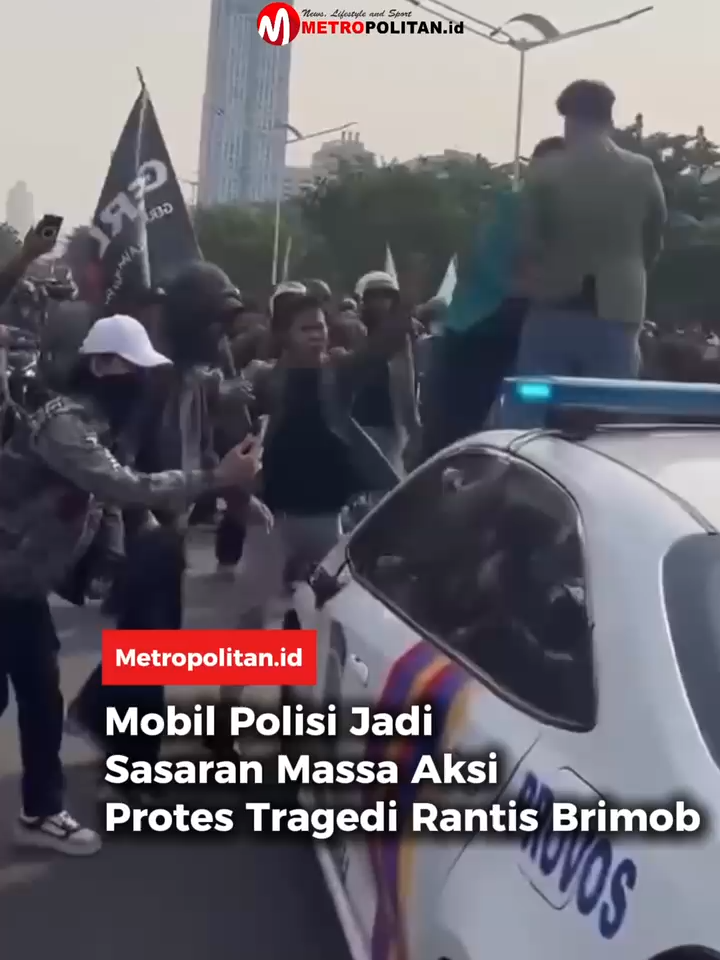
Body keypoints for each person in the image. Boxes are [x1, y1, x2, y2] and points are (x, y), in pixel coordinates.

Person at [0, 313, 261, 855]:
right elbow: (120, 482)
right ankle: (43, 807)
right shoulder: (63, 424)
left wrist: (110, 556)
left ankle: (42, 811)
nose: (146, 383)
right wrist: (217, 480)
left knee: (40, 695)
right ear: (103, 366)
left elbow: (105, 500)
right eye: (136, 370)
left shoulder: (98, 424)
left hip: (19, 584)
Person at [235, 292, 409, 631]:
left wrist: (404, 305)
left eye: (321, 327)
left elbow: (380, 348)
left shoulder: (338, 375)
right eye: (306, 328)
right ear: (284, 334)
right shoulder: (264, 379)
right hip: (271, 519)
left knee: (336, 619)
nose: (317, 334)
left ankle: (301, 679)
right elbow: (234, 437)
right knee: (249, 623)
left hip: (326, 520)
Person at [511, 80, 667, 389]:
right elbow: (654, 239)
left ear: (567, 119)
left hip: (552, 311)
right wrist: (629, 272)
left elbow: (525, 241)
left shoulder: (545, 172)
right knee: (611, 409)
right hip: (619, 311)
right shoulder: (641, 170)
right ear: (610, 121)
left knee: (534, 406)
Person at [420, 137, 566, 456]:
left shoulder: (562, 219)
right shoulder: (509, 208)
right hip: (477, 333)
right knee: (452, 439)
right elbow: (500, 273)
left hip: (513, 335)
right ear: (533, 171)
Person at [352, 271, 420, 473]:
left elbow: (404, 383)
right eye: (374, 296)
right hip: (354, 424)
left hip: (387, 423)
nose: (380, 302)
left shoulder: (398, 336)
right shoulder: (352, 332)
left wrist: (413, 426)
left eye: (385, 296)